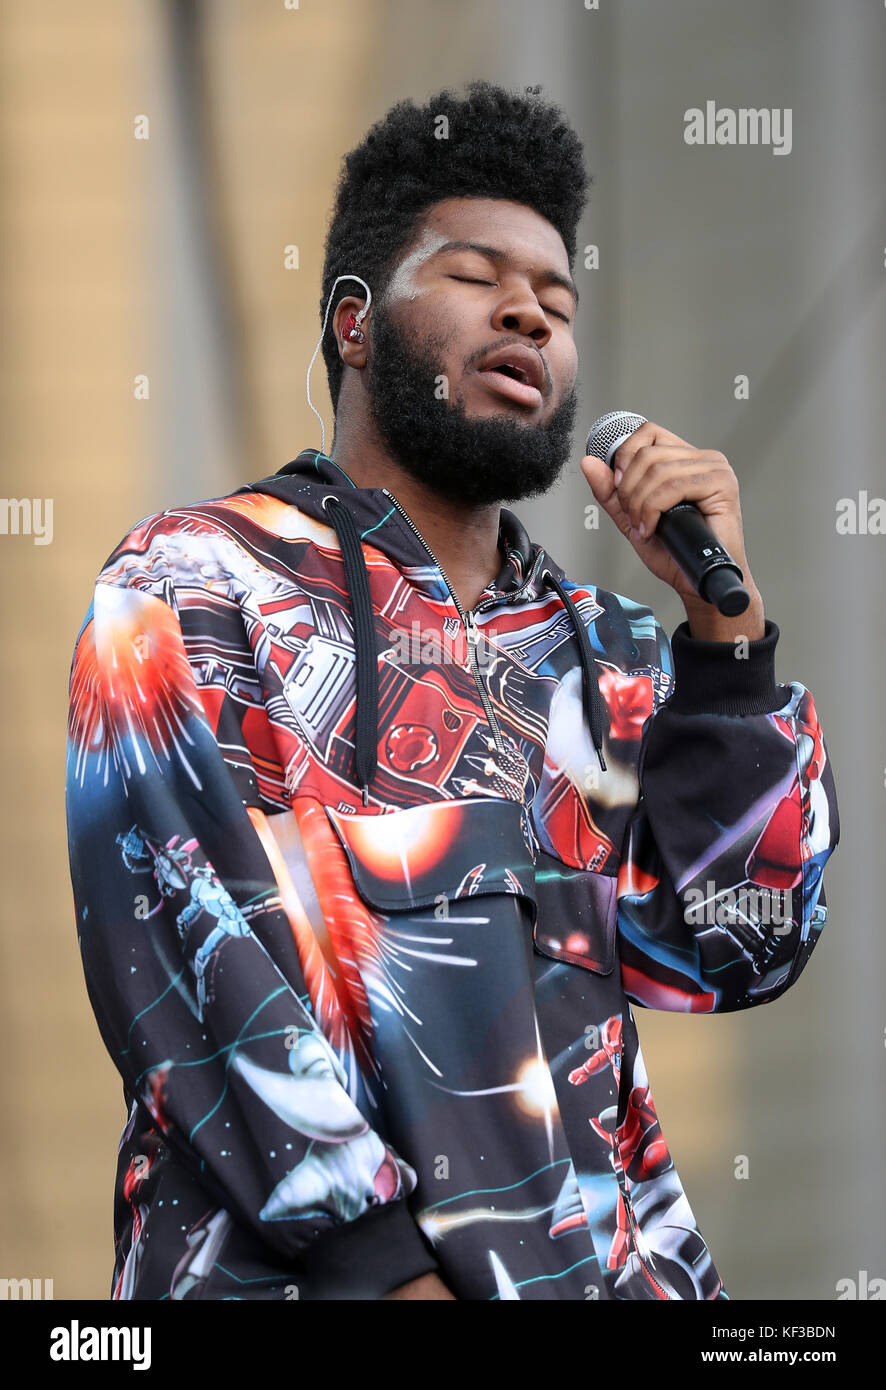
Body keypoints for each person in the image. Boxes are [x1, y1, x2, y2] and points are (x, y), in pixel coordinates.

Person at [65, 80, 838, 1302]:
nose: (529, 311)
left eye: (557, 301)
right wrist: (382, 1269)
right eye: (478, 276)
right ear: (355, 323)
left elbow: (731, 947)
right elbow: (183, 947)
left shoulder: (607, 653)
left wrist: (726, 640)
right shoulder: (194, 580)